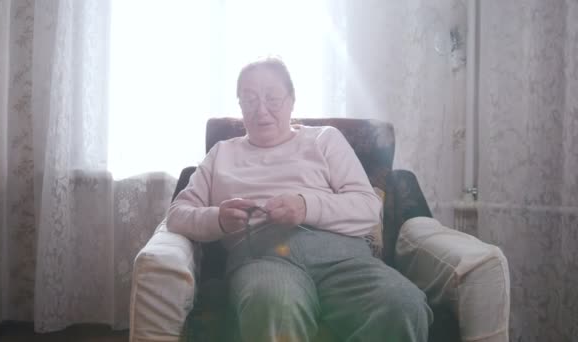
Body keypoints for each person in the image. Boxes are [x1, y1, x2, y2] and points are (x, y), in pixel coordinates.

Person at [167, 56, 433, 342]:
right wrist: (217, 218)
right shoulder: (221, 154)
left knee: (404, 304)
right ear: (240, 105)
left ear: (291, 100)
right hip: (263, 258)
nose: (261, 110)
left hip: (343, 258)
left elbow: (368, 207)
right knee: (273, 305)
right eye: (250, 99)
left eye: (272, 98)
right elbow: (177, 214)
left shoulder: (324, 140)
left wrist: (306, 206)